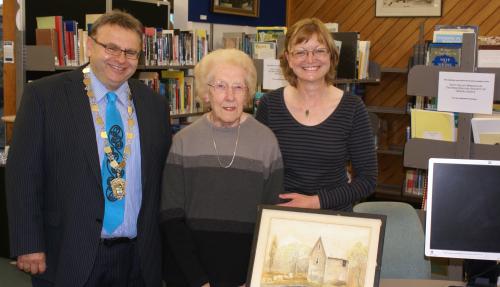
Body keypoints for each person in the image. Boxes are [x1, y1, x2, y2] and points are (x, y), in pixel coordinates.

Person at [6, 10, 171, 287]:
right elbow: (23, 174)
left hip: (139, 255)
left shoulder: (154, 105)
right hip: (70, 250)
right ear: (89, 46)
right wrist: (28, 242)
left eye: (131, 52)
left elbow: (162, 178)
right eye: (111, 48)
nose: (121, 59)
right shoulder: (45, 96)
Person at [160, 48, 284, 287]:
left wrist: (255, 276)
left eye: (239, 87)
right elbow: (170, 216)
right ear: (206, 93)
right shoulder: (183, 141)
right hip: (189, 275)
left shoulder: (266, 141)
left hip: (245, 276)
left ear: (248, 94)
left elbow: (274, 217)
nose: (230, 96)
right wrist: (198, 280)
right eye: (220, 86)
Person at [255, 18, 377, 211]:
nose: (310, 59)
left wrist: (316, 202)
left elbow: (367, 180)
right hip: (281, 215)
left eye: (319, 50)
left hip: (333, 215)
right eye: (301, 52)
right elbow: (256, 169)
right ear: (288, 58)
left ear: (331, 55)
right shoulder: (269, 105)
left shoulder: (353, 107)